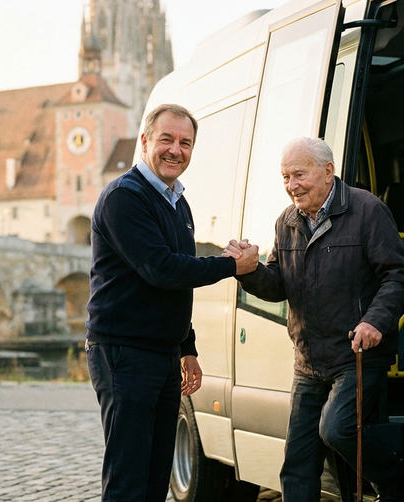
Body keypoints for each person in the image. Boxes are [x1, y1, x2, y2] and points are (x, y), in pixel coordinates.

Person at [224, 136, 404, 502]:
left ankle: (394, 479)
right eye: (285, 177)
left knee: (337, 428)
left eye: (298, 175)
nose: (291, 186)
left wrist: (375, 320)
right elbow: (279, 284)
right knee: (297, 464)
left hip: (357, 355)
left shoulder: (366, 210)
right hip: (308, 360)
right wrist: (247, 271)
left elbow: (400, 275)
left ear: (328, 172)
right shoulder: (287, 222)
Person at [85, 103, 259, 502]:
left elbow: (176, 286)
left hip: (161, 354)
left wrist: (187, 348)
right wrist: (231, 264)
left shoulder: (177, 202)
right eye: (167, 139)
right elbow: (161, 269)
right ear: (145, 141)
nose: (175, 150)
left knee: (154, 476)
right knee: (128, 479)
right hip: (123, 353)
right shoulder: (123, 198)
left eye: (185, 143)